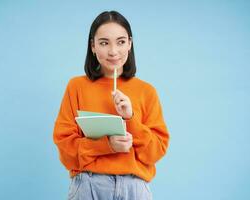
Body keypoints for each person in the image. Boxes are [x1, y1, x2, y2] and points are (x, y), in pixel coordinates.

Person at [53, 10, 169, 200]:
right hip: (89, 186)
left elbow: (154, 153)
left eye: (121, 42)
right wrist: (107, 145)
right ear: (93, 46)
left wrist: (130, 118)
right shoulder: (76, 87)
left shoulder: (147, 91)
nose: (113, 51)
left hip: (135, 188)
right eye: (104, 43)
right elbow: (66, 152)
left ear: (130, 44)